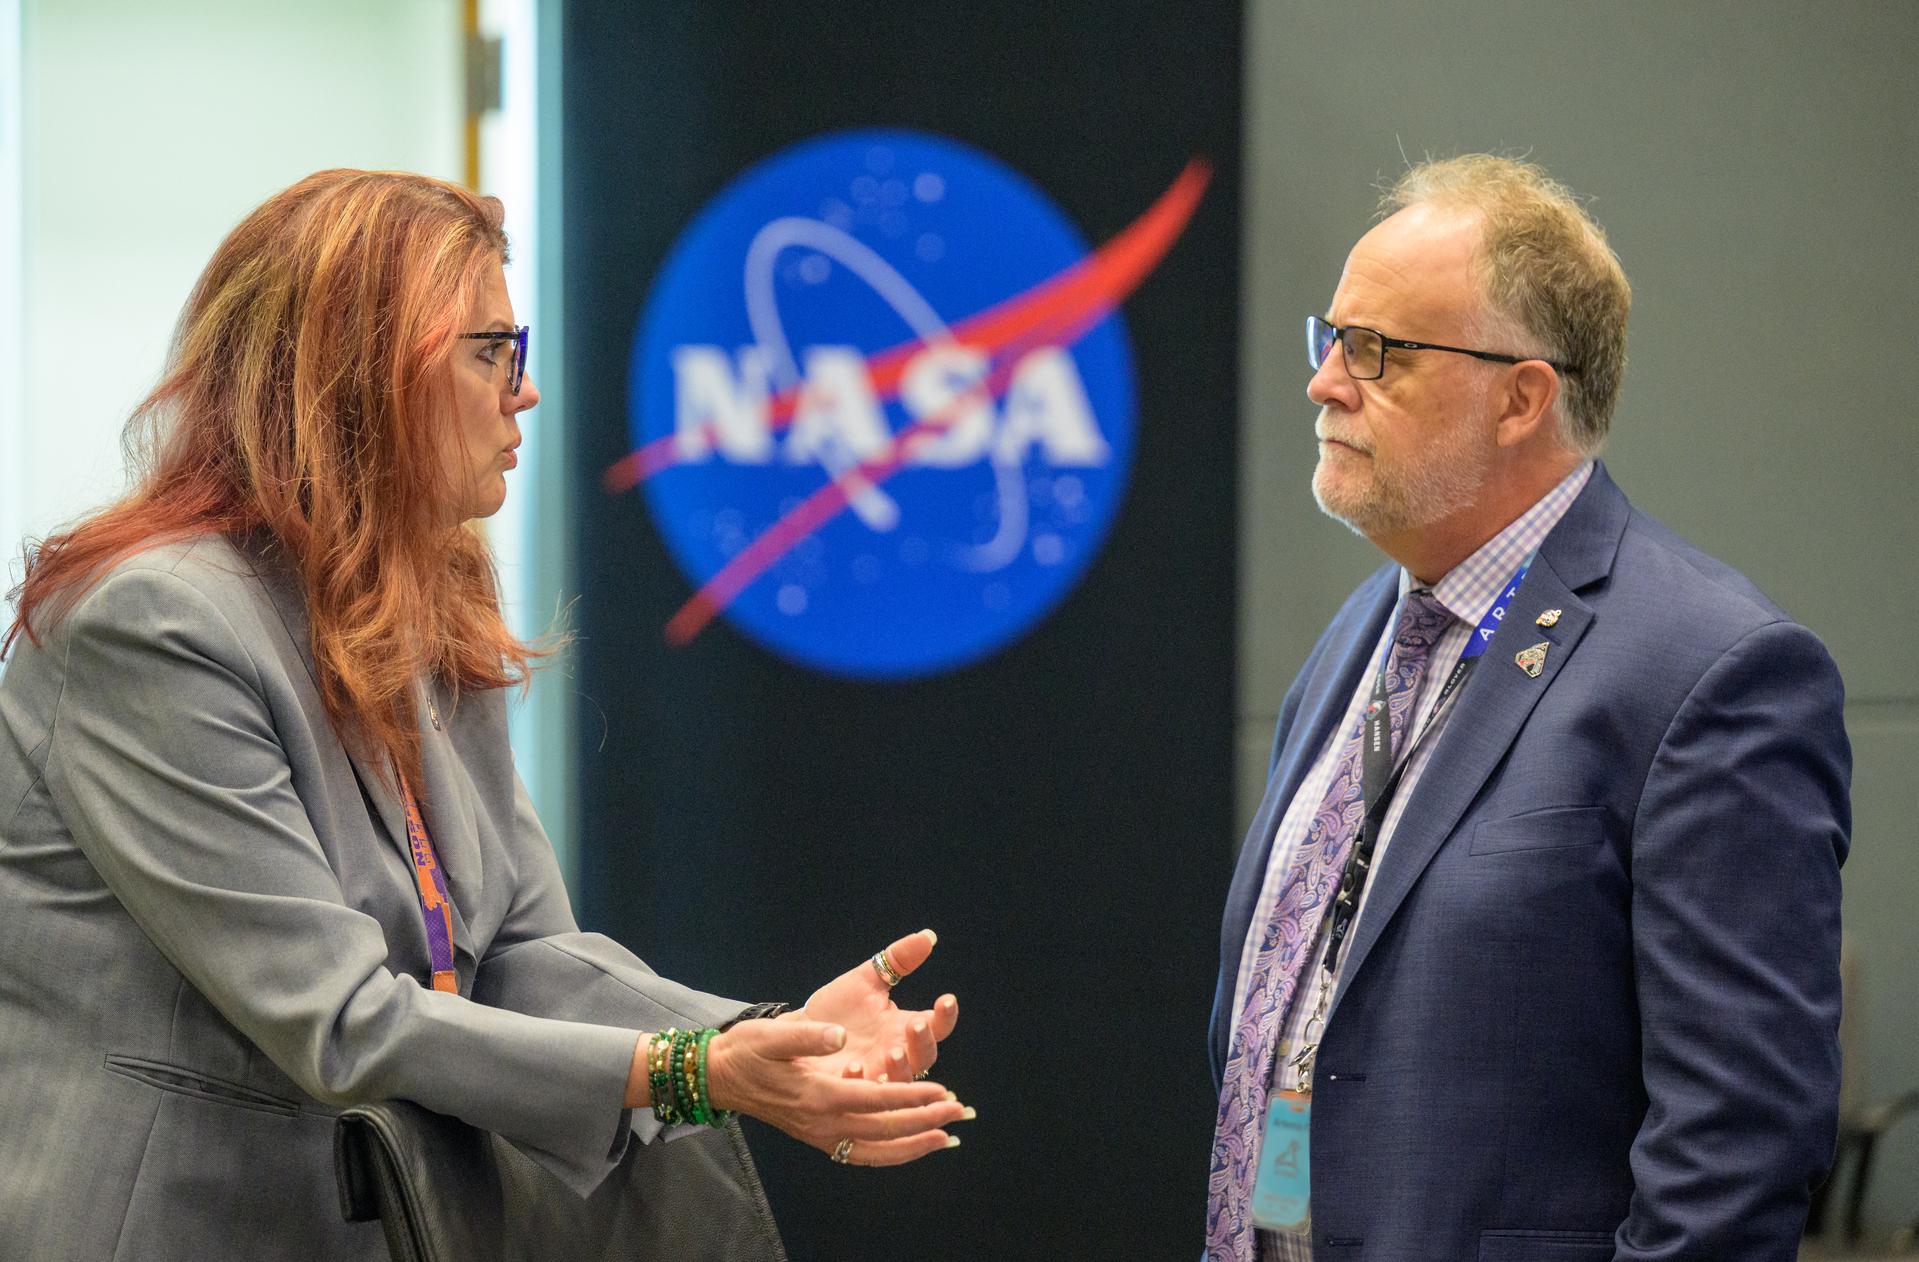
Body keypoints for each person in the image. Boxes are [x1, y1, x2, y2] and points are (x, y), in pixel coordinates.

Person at [0, 169, 970, 1260]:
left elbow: (518, 949)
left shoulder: (419, 593)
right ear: (356, 372)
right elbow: (341, 1018)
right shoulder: (156, 621)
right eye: (489, 350)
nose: (524, 390)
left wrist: (762, 1036)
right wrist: (692, 1072)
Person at [1206, 155, 1849, 1261]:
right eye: (1332, 337)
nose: (1323, 382)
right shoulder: (1358, 633)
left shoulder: (1711, 672)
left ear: (1520, 398)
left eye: (1380, 352)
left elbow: (1735, 1149)